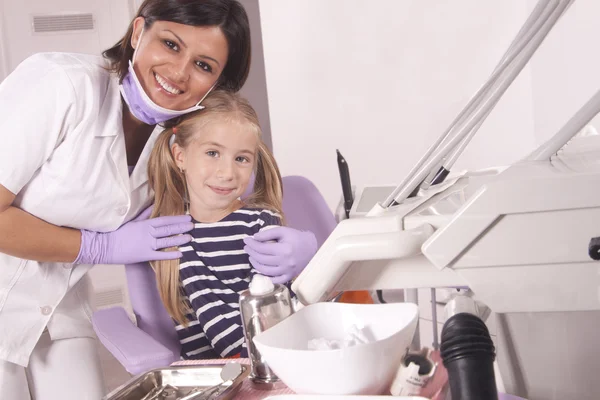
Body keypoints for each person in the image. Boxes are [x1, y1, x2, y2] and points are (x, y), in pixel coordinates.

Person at [0, 1, 316, 398]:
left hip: (59, 309)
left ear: (217, 83)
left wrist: (310, 253)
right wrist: (100, 246)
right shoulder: (60, 85)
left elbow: (225, 203)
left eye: (204, 65)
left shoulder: (179, 140)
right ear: (137, 33)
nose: (179, 72)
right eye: (170, 44)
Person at [148, 89, 290, 359]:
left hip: (269, 360)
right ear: (180, 156)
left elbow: (274, 314)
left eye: (241, 159)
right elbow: (203, 330)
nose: (227, 173)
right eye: (212, 153)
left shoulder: (260, 223)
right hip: (216, 374)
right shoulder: (170, 234)